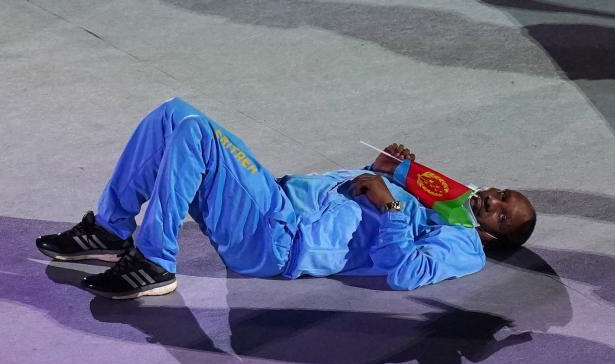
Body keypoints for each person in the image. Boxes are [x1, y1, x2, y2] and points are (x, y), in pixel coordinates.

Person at [35, 98, 536, 299]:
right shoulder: (440, 194)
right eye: (501, 193)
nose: (492, 198)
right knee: (175, 113)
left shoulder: (464, 248)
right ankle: (110, 228)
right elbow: (350, 206)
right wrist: (376, 172)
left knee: (195, 132)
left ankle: (154, 261)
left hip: (279, 239)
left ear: (494, 237)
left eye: (502, 212)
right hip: (272, 204)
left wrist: (390, 204)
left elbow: (404, 271)